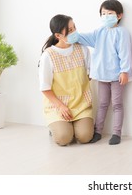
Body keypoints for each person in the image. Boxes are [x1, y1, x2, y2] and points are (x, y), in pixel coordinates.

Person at [78, 0, 132, 145]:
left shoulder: (122, 32)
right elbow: (85, 37)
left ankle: (116, 133)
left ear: (119, 15)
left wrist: (125, 71)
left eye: (110, 13)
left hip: (116, 75)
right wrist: (73, 36)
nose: (106, 16)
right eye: (103, 13)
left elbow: (124, 53)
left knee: (117, 104)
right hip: (102, 75)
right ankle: (98, 131)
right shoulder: (99, 32)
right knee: (102, 103)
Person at [38, 14, 94, 146]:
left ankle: (74, 126)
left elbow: (90, 75)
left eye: (74, 27)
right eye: (69, 30)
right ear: (58, 35)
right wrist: (61, 106)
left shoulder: (83, 49)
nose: (74, 32)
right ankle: (58, 127)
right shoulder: (48, 56)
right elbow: (45, 88)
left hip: (81, 104)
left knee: (85, 137)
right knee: (64, 138)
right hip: (58, 106)